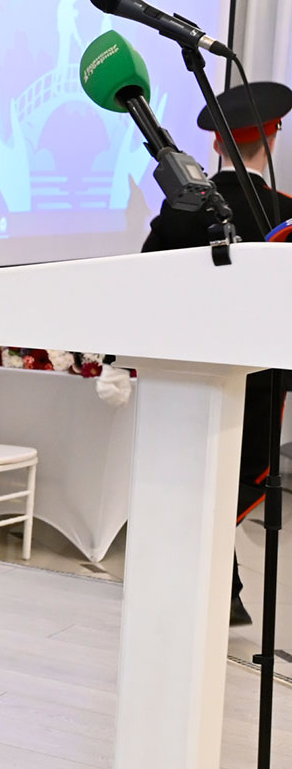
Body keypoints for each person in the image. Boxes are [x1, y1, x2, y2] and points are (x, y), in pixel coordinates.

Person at [140, 80, 292, 626]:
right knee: (239, 476)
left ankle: (209, 586)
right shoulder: (283, 214)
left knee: (189, 477)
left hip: (186, 371)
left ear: (216, 144)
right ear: (273, 137)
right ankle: (216, 588)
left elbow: (145, 282)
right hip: (257, 378)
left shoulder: (179, 209)